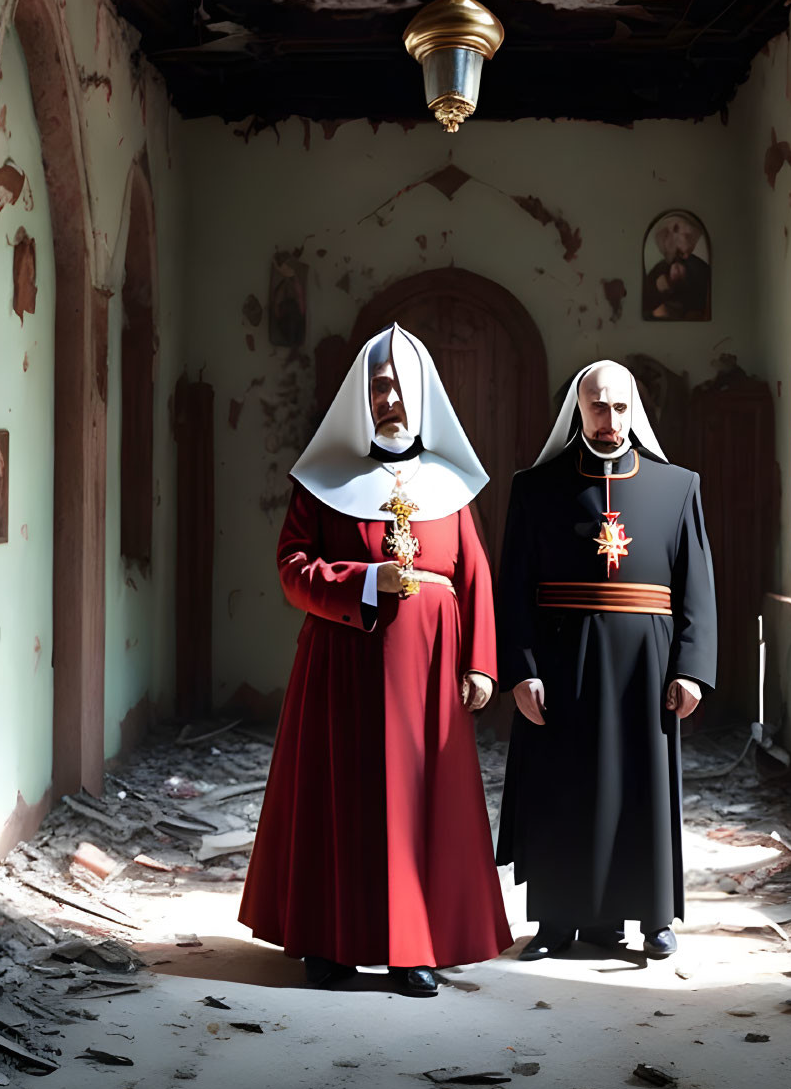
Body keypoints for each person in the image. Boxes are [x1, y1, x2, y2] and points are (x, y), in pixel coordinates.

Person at [239, 324, 511, 998]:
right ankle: (328, 943)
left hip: (428, 673)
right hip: (343, 667)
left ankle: (410, 948)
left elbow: (474, 573)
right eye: (375, 386)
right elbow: (292, 569)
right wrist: (364, 582)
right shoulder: (324, 479)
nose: (386, 397)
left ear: (422, 395)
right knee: (342, 800)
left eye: (397, 385)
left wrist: (479, 662)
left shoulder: (449, 483)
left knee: (417, 809)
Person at [496, 360, 717, 961]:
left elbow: (696, 584)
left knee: (642, 793)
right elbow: (512, 587)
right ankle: (556, 923)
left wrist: (692, 669)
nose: (610, 419)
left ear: (635, 409)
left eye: (620, 407)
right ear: (579, 409)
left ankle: (653, 919)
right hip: (562, 666)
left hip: (647, 675)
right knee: (562, 790)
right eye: (598, 406)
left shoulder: (678, 487)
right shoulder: (535, 489)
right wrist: (521, 669)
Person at [642, 213, 711, 321]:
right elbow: (646, 303)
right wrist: (657, 289)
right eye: (678, 253)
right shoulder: (661, 269)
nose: (685, 255)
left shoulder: (698, 268)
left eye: (679, 252)